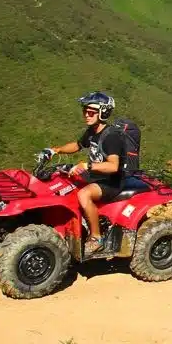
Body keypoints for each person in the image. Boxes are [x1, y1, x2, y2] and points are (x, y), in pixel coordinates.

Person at [38, 92, 129, 255]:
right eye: (85, 111)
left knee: (84, 195)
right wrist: (55, 150)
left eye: (91, 112)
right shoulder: (92, 131)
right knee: (63, 181)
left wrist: (87, 165)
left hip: (111, 181)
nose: (86, 115)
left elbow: (113, 166)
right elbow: (78, 145)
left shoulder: (111, 137)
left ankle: (96, 238)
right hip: (96, 176)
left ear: (103, 113)